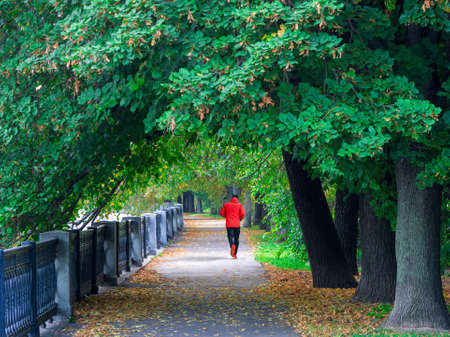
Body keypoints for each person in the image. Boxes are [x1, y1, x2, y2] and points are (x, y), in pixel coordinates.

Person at [220, 194, 245, 258]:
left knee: (230, 236)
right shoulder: (240, 205)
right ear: (237, 199)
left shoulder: (226, 205)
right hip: (237, 224)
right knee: (237, 239)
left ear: (232, 198)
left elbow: (222, 213)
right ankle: (235, 253)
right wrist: (240, 219)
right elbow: (242, 214)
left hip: (229, 224)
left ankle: (232, 245)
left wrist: (227, 215)